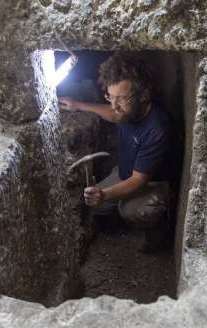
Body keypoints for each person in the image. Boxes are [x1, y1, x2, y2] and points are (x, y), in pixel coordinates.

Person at [58, 52, 175, 252]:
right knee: (92, 206)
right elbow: (113, 113)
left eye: (121, 98)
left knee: (131, 210)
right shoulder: (126, 110)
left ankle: (158, 229)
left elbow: (139, 181)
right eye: (110, 97)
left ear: (144, 94)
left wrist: (104, 194)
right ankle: (120, 212)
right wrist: (78, 105)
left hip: (152, 183)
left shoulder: (157, 127)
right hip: (124, 173)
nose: (114, 105)